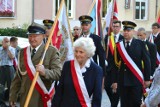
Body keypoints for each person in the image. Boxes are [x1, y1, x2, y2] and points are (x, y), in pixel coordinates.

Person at [9, 23, 62, 107]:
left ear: (43, 36)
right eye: (30, 36)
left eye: (35, 36)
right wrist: (13, 95)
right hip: (26, 97)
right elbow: (18, 77)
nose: (32, 39)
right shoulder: (22, 52)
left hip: (42, 97)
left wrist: (45, 72)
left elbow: (58, 73)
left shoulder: (51, 51)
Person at [52, 37, 103, 107]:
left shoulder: (97, 70)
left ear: (88, 54)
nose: (77, 54)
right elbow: (60, 90)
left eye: (81, 52)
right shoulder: (67, 65)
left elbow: (97, 98)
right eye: (76, 51)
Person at [113, 21, 151, 107]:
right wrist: (115, 81)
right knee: (124, 104)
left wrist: (147, 78)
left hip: (135, 80)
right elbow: (115, 64)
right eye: (125, 30)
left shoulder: (140, 44)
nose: (126, 32)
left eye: (128, 30)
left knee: (136, 103)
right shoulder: (119, 45)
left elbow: (147, 61)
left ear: (133, 31)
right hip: (123, 80)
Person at [104, 20, 123, 107]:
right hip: (109, 69)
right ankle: (113, 104)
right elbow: (104, 51)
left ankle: (114, 105)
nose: (115, 28)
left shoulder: (122, 39)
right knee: (107, 87)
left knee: (116, 92)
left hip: (119, 69)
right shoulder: (107, 38)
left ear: (120, 28)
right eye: (114, 26)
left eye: (117, 26)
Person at [0, 37, 15, 105]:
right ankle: (1, 102)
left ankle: (11, 102)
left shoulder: (12, 49)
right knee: (1, 85)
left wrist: (8, 49)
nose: (6, 43)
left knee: (10, 85)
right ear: (2, 42)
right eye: (5, 41)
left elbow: (12, 57)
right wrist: (3, 49)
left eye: (7, 41)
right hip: (2, 68)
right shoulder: (0, 49)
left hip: (9, 67)